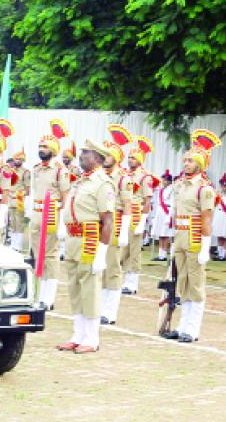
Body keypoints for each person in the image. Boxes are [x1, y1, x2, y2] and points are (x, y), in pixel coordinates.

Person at [161, 129, 221, 344]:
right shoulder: (179, 185)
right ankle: (182, 324)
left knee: (195, 284)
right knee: (182, 282)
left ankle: (193, 328)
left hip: (195, 237)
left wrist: (205, 247)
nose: (186, 163)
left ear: (200, 164)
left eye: (190, 161)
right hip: (180, 235)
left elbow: (206, 219)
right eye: (185, 160)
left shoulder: (204, 189)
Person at [55, 139, 114, 354]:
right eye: (82, 153)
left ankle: (91, 337)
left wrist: (101, 253)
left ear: (98, 158)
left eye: (86, 153)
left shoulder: (102, 183)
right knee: (75, 289)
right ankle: (78, 334)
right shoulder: (80, 181)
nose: (81, 157)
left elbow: (107, 221)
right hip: (73, 240)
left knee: (90, 289)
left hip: (89, 239)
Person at [32, 126, 71, 309]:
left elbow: (65, 195)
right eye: (40, 146)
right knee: (37, 255)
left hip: (51, 215)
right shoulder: (37, 169)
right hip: (36, 214)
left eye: (45, 147)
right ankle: (38, 293)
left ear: (54, 150)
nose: (41, 149)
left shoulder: (59, 170)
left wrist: (63, 220)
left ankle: (49, 297)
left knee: (50, 256)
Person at [100, 128, 133, 324]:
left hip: (116, 223)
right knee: (101, 266)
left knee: (113, 268)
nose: (105, 158)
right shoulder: (102, 175)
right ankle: (101, 307)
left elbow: (127, 206)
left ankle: (110, 311)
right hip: (102, 223)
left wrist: (124, 232)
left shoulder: (123, 178)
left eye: (109, 155)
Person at [121, 135, 157, 295]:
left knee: (134, 250)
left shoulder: (145, 176)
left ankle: (132, 282)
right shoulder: (126, 174)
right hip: (124, 213)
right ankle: (124, 279)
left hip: (136, 214)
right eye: (129, 158)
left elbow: (147, 200)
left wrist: (143, 220)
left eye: (133, 158)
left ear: (140, 160)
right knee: (123, 249)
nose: (130, 160)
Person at [8, 148, 30, 252]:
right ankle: (13, 243)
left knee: (19, 222)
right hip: (10, 199)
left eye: (19, 159)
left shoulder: (25, 172)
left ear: (22, 161)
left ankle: (19, 245)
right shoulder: (10, 171)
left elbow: (28, 190)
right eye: (15, 159)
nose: (17, 161)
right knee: (12, 222)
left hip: (19, 199)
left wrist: (17, 195)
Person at [151, 170, 175, 261]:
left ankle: (164, 254)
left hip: (167, 211)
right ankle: (160, 254)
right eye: (163, 180)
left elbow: (172, 203)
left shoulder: (172, 190)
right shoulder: (161, 190)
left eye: (165, 180)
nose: (163, 182)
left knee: (165, 234)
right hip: (160, 211)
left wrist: (169, 217)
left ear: (169, 181)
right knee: (160, 234)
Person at [212, 174, 226, 261]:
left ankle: (224, 254)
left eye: (225, 186)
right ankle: (219, 253)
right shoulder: (219, 195)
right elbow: (215, 205)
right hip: (219, 215)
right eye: (222, 186)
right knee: (219, 235)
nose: (224, 188)